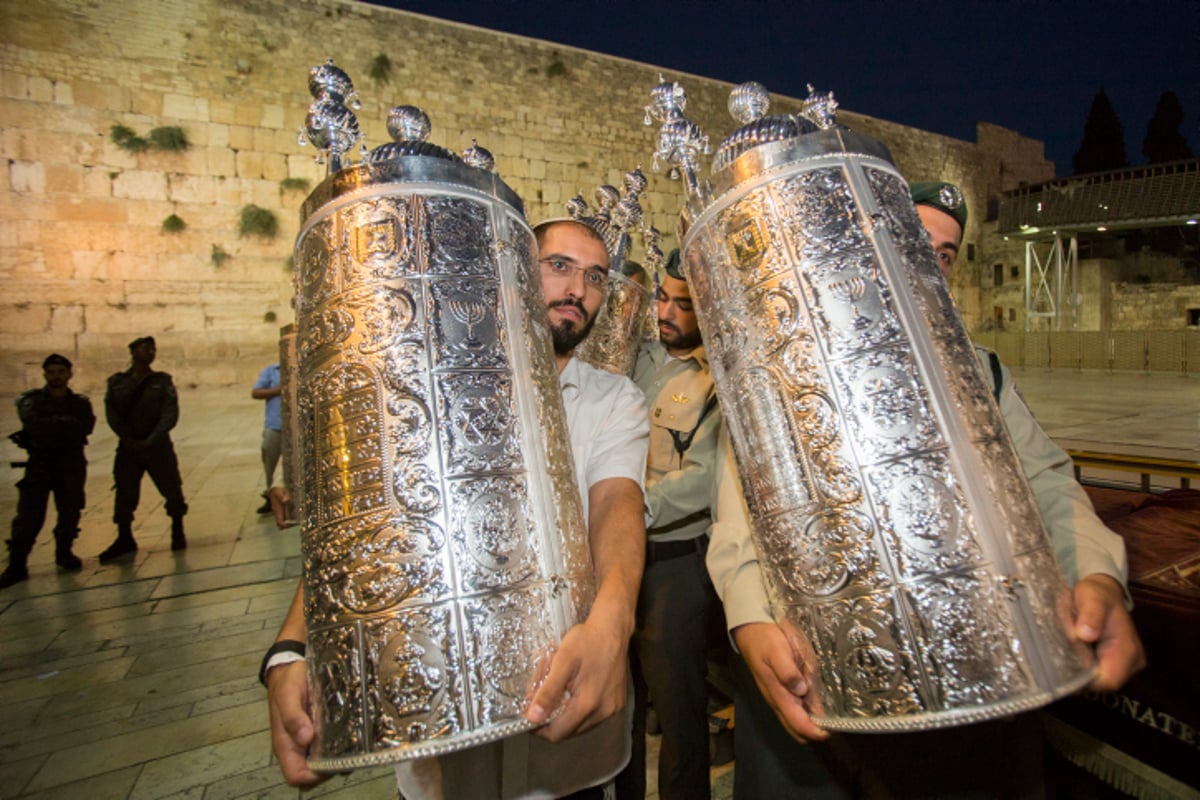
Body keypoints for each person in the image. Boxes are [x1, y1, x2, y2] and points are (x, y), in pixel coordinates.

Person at [706, 181, 1146, 798]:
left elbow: (1044, 481)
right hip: (820, 682)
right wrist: (753, 625)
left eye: (942, 253)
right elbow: (742, 519)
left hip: (977, 687)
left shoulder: (980, 369)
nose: (925, 261)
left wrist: (1097, 575)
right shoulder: (777, 364)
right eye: (910, 238)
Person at [264, 218, 649, 799]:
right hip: (444, 757)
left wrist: (614, 624)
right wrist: (291, 646)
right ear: (513, 273)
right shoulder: (428, 382)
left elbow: (617, 508)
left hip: (567, 749)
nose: (577, 290)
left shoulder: (614, 398)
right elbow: (375, 523)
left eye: (594, 276)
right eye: (559, 266)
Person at [628, 248, 724, 800]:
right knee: (623, 711)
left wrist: (625, 509)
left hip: (673, 570)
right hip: (619, 563)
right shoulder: (637, 360)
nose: (665, 312)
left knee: (679, 720)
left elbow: (704, 478)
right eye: (662, 298)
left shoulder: (715, 381)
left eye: (682, 304)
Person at [1, 354, 95, 589]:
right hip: (41, 465)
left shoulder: (80, 403)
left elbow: (85, 427)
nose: (56, 376)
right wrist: (64, 425)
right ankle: (17, 563)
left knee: (70, 510)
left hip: (70, 464)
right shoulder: (31, 400)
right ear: (45, 374)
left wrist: (53, 425)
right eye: (51, 372)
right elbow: (34, 427)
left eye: (60, 372)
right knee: (29, 516)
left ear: (69, 374)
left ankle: (64, 553)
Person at [99, 336, 188, 560]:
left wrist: (153, 438)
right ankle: (124, 537)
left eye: (152, 349)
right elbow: (112, 415)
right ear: (133, 352)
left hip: (157, 446)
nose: (150, 352)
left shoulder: (162, 381)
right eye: (145, 349)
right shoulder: (117, 383)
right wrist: (128, 439)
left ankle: (177, 528)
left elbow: (170, 413)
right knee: (125, 491)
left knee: (171, 487)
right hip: (129, 447)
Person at [251, 363, 282, 514]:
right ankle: (272, 498)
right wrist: (277, 390)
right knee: (271, 463)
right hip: (275, 425)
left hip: (299, 427)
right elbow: (256, 392)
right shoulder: (271, 371)